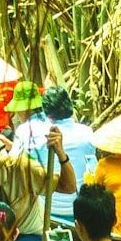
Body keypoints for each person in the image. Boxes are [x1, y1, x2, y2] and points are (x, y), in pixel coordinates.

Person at [43, 87, 96, 221]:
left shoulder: (42, 136)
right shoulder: (87, 133)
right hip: (80, 207)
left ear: (46, 112)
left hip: (48, 209)